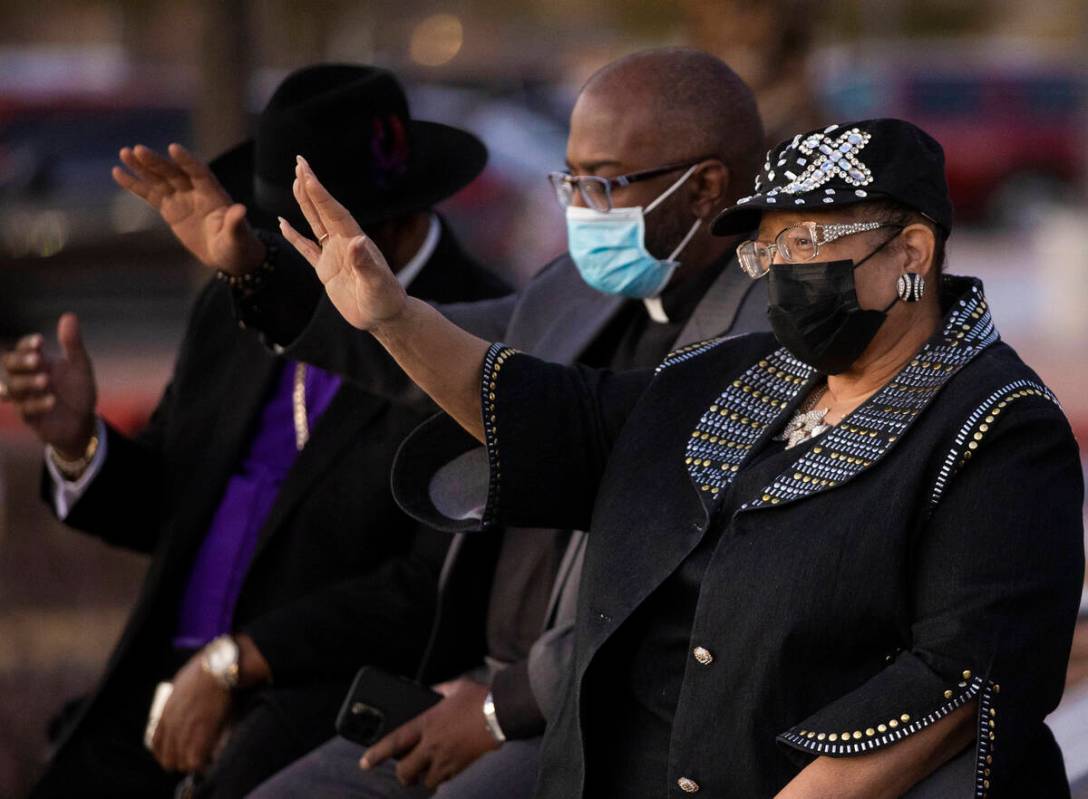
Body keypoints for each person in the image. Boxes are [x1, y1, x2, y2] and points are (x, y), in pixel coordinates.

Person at [276, 117, 1084, 798]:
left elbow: (961, 676)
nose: (783, 276)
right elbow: (549, 417)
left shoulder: (998, 427)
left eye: (808, 242)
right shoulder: (732, 377)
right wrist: (391, 317)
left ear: (911, 252)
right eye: (767, 253)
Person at [246, 48, 768, 799]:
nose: (580, 206)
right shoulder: (578, 286)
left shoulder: (769, 339)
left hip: (600, 706)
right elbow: (441, 358)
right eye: (571, 179)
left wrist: (503, 706)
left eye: (606, 182)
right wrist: (267, 278)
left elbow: (693, 594)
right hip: (476, 678)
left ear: (707, 187)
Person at [0, 64, 507, 799]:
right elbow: (170, 508)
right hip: (160, 689)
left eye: (306, 232)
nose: (279, 252)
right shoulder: (239, 299)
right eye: (280, 230)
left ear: (390, 217)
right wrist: (80, 442)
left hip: (313, 701)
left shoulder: (477, 331)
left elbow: (428, 588)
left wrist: (237, 660)